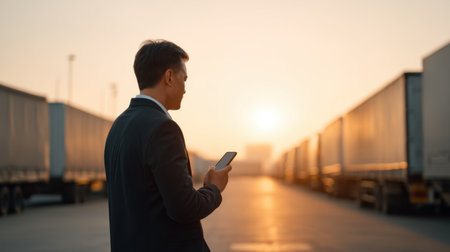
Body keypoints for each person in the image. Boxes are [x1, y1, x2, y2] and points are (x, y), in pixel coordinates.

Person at [104, 40, 232, 251]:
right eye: (185, 78)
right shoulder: (163, 128)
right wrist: (214, 188)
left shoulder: (118, 125)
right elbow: (184, 209)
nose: (185, 88)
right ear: (170, 77)